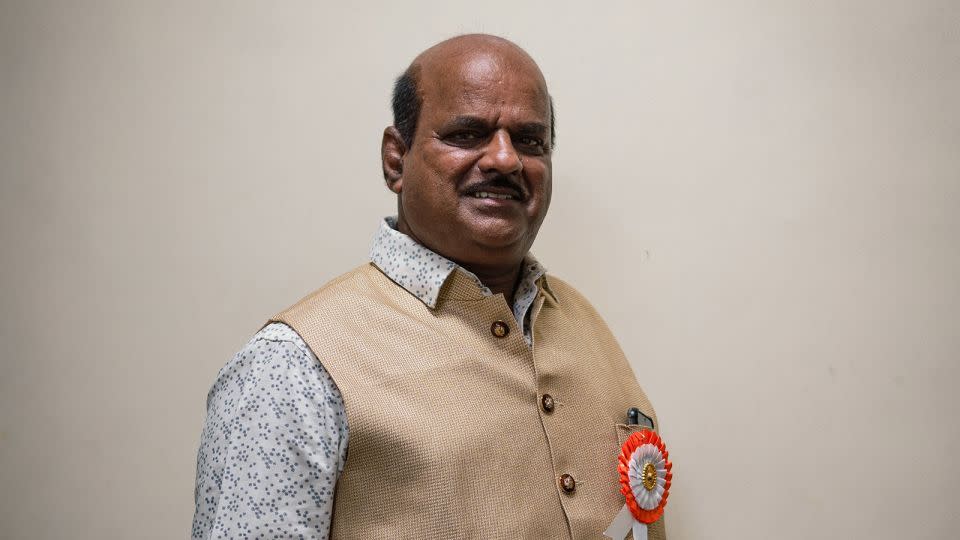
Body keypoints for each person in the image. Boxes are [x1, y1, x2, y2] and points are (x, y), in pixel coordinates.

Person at [191, 34, 666, 540]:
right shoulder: (291, 369)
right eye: (467, 134)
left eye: (530, 140)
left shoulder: (582, 321)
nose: (505, 159)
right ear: (396, 160)